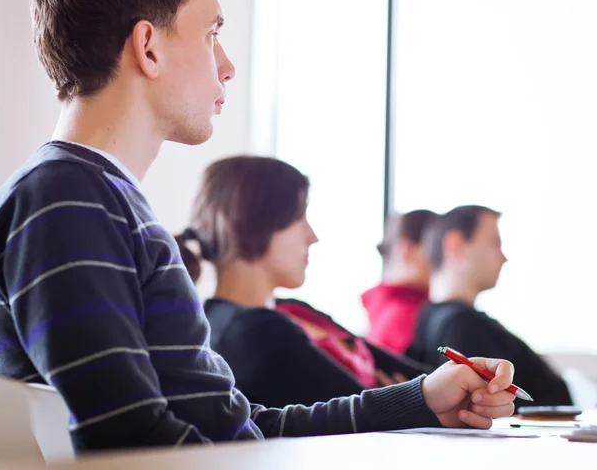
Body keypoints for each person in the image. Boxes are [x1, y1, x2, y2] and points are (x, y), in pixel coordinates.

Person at [0, 0, 516, 454]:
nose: (227, 66)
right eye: (211, 34)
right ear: (148, 48)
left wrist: (419, 400)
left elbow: (236, 432)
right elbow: (132, 445)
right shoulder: (66, 200)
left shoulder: (97, 199)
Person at [176, 155, 433, 409]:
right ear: (258, 223)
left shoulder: (291, 309)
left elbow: (416, 381)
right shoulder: (249, 331)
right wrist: (400, 399)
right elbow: (373, 413)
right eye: (300, 218)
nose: (313, 236)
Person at [407, 205, 572, 407]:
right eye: (496, 243)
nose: (504, 257)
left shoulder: (427, 318)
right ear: (456, 244)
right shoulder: (462, 325)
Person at [361, 210, 438, 355]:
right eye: (436, 248)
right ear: (408, 250)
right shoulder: (405, 315)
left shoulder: (385, 307)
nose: (442, 258)